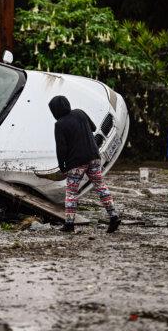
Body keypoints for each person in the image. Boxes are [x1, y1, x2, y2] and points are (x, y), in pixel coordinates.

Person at [48, 95, 121, 233]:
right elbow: (93, 128)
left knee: (71, 193)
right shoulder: (80, 113)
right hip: (93, 157)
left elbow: (61, 147)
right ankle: (113, 216)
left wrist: (62, 166)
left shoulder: (59, 124)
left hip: (76, 163)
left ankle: (69, 224)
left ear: (54, 111)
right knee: (101, 187)